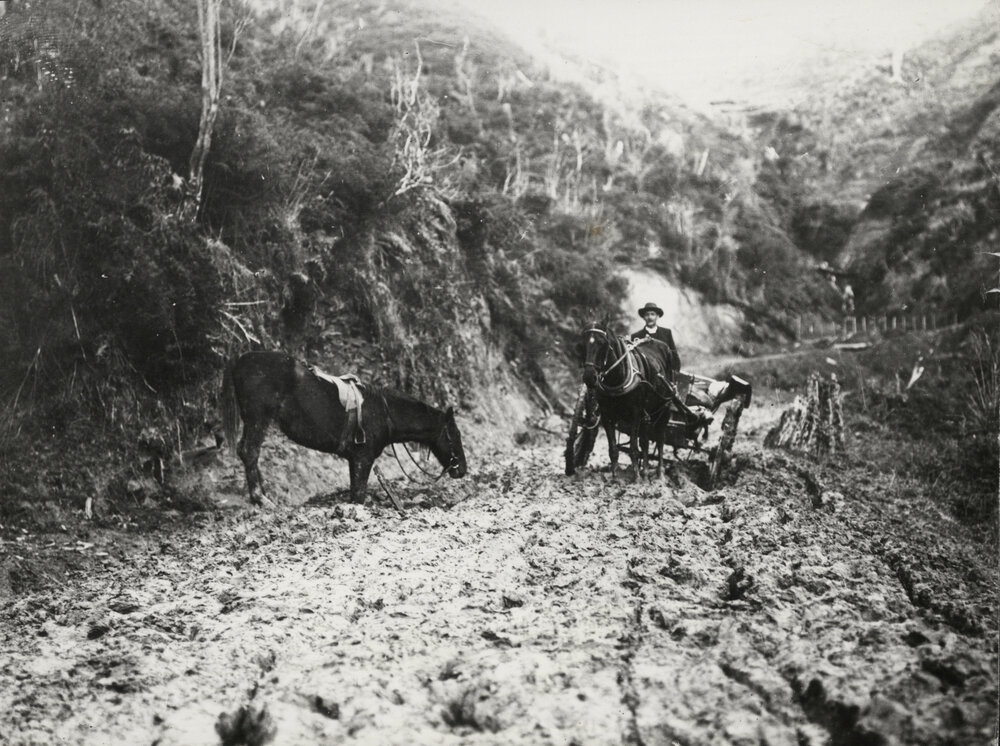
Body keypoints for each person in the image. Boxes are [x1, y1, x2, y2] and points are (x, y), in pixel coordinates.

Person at [631, 302, 681, 373]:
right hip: (645, 376)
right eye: (647, 314)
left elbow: (674, 355)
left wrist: (675, 373)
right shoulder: (636, 336)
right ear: (643, 317)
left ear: (657, 316)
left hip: (665, 375)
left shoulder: (666, 333)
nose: (650, 317)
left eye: (652, 314)